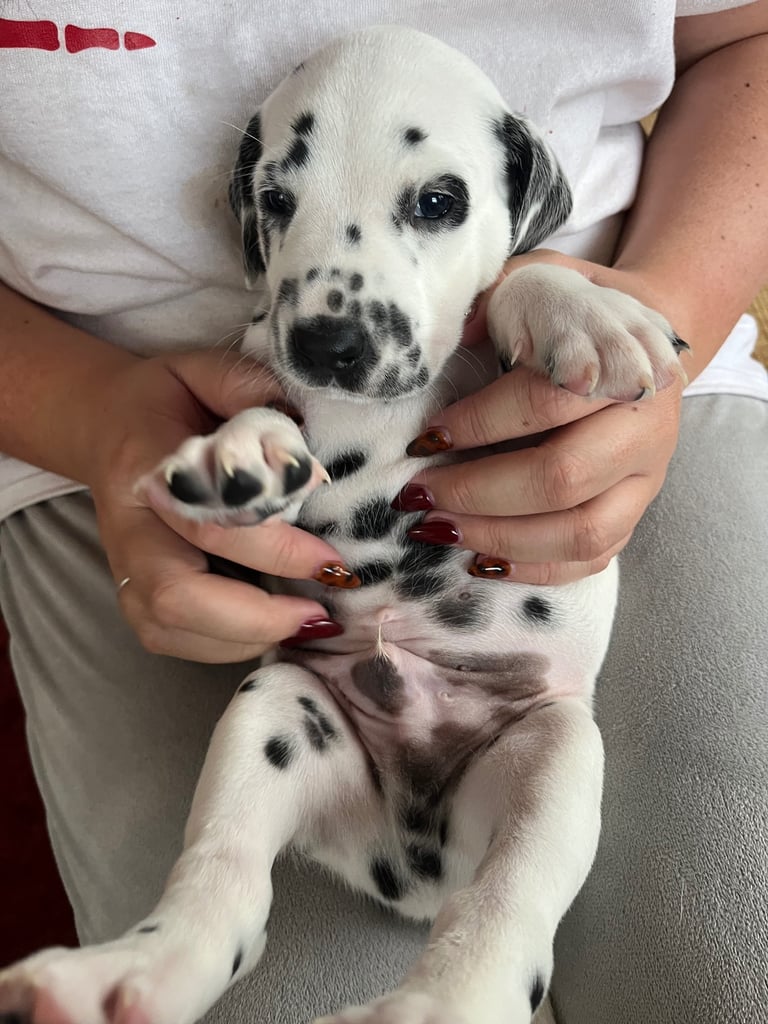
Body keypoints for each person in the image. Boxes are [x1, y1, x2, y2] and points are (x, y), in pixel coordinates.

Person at [1, 2, 766, 1022]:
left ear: (519, 189)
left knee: (729, 958)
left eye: (436, 199)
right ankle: (196, 932)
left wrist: (645, 302)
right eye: (284, 201)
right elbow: (255, 428)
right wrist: (99, 418)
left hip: (594, 450)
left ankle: (480, 975)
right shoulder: (266, 365)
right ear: (254, 219)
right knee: (270, 726)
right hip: (148, 452)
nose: (335, 305)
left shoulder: (524, 291)